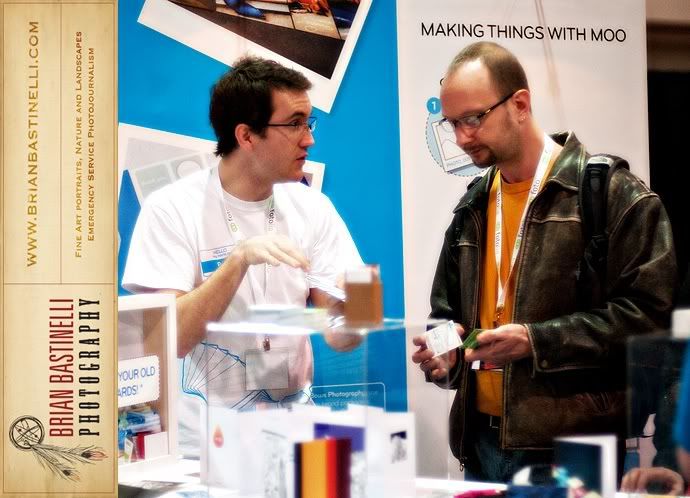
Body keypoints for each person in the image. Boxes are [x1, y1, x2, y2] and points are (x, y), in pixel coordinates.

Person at [411, 41, 677, 483]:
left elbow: (648, 319)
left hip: (571, 451)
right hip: (480, 444)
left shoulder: (614, 195)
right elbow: (446, 313)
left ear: (520, 104)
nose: (460, 138)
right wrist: (445, 354)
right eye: (451, 124)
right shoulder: (472, 207)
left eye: (473, 119)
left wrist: (536, 341)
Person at [122, 56, 362, 456]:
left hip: (289, 438)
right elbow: (169, 341)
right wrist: (238, 261)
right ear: (247, 136)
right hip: (201, 448)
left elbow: (341, 338)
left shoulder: (313, 208)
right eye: (295, 124)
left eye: (310, 123)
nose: (309, 139)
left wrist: (361, 304)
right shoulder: (172, 208)